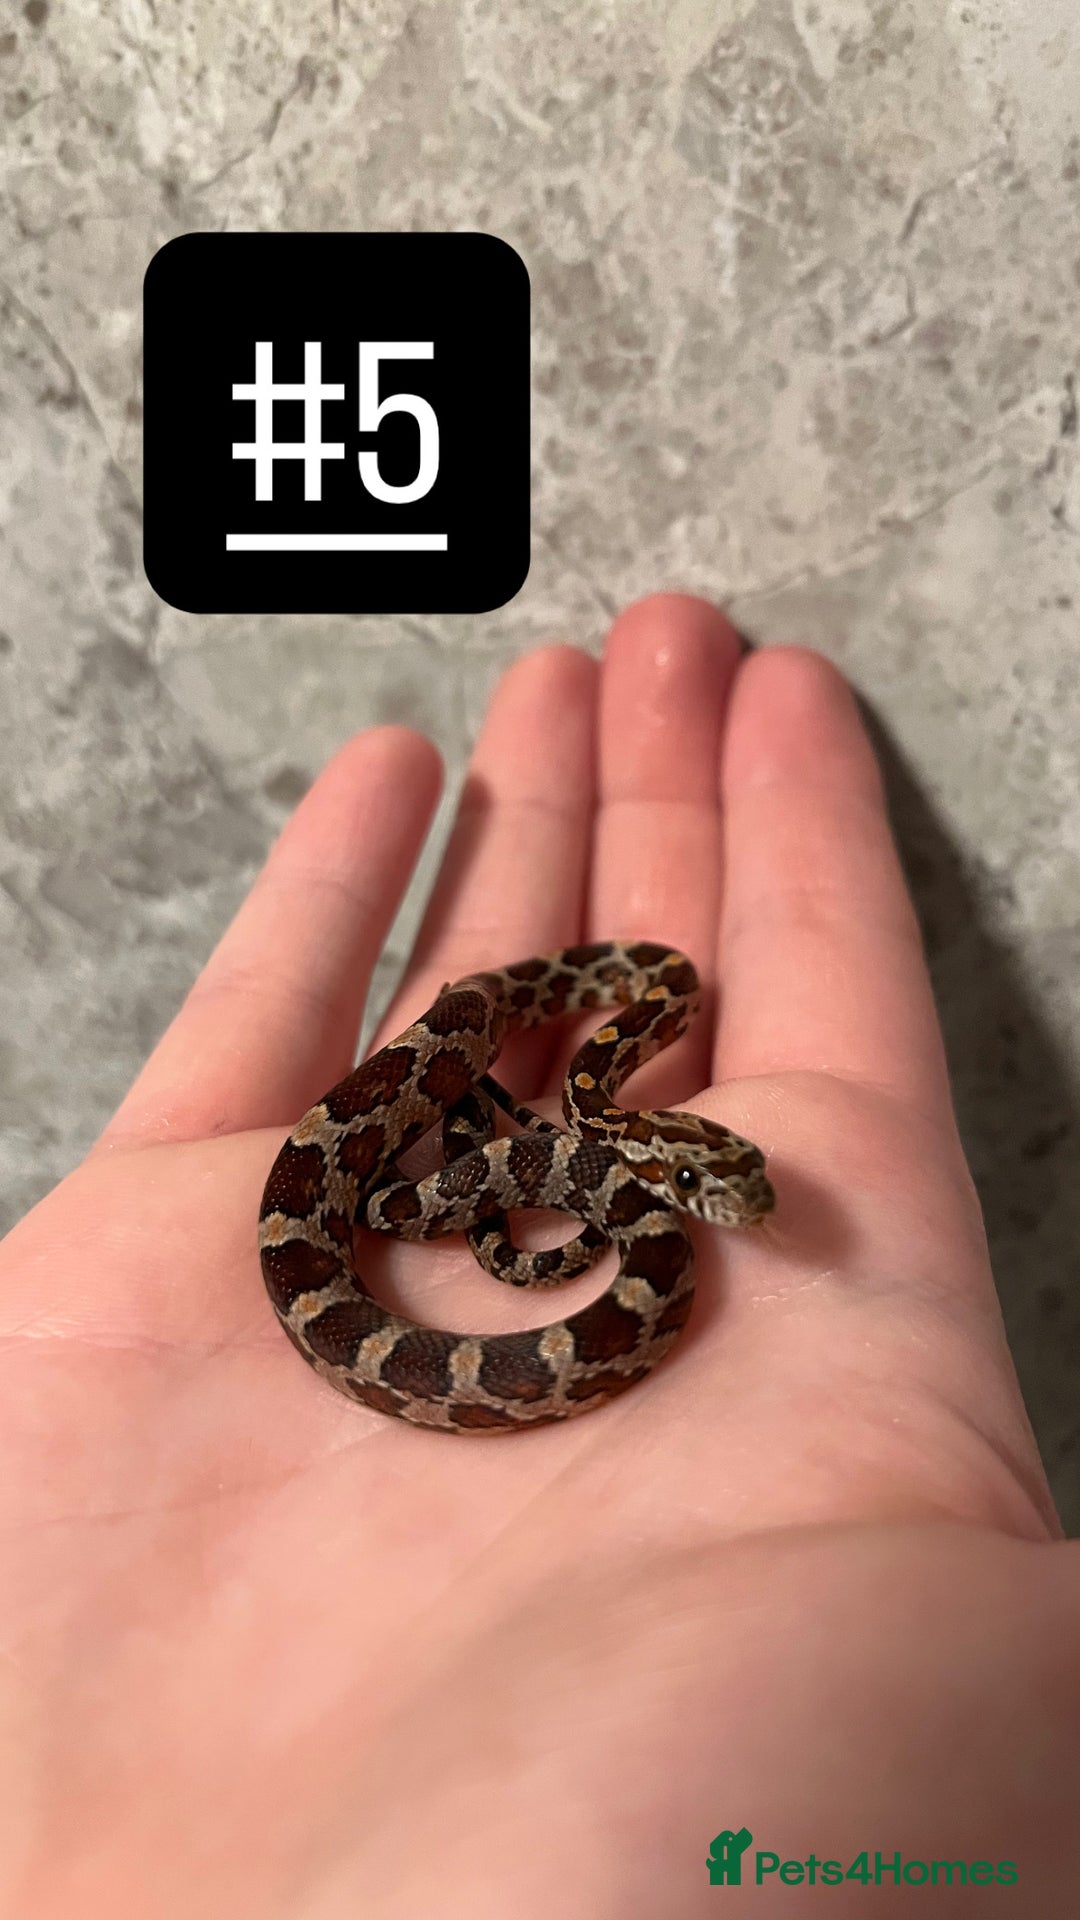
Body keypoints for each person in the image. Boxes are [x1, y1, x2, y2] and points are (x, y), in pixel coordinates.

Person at [0, 594, 1075, 1916]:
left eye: (724, 1181)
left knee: (430, 1198)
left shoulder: (651, 1030)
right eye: (705, 1178)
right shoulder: (584, 1130)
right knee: (398, 1204)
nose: (722, 1204)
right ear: (659, 1156)